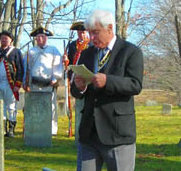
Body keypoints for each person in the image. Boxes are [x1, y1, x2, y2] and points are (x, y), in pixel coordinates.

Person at [71, 10, 144, 171]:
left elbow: (135, 84)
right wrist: (79, 87)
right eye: (89, 33)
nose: (92, 38)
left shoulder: (131, 52)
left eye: (95, 33)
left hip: (117, 132)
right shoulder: (87, 54)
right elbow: (75, 91)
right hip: (89, 133)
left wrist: (108, 81)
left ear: (110, 28)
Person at [23, 26, 63, 136]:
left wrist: (55, 78)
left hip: (48, 84)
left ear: (46, 38)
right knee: (35, 106)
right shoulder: (31, 51)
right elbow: (26, 68)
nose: (40, 39)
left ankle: (52, 130)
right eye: (38, 37)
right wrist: (25, 82)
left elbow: (58, 65)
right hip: (34, 84)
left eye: (42, 36)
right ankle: (35, 127)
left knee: (51, 107)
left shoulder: (53, 50)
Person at [63, 21, 90, 171]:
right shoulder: (72, 45)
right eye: (79, 32)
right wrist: (66, 62)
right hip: (74, 76)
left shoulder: (91, 44)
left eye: (83, 31)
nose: (81, 34)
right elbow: (69, 61)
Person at [0, 30, 24, 138]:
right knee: (1, 106)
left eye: (6, 38)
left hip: (10, 83)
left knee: (11, 106)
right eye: (2, 38)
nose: (4, 40)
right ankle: (2, 129)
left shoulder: (16, 52)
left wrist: (17, 84)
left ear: (11, 40)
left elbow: (20, 69)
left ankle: (11, 129)